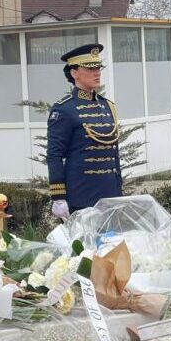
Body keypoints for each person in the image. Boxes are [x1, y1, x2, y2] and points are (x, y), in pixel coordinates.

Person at [47, 44, 122, 219]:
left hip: (110, 194)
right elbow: (54, 155)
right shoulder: (64, 109)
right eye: (90, 68)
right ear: (74, 73)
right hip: (81, 195)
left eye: (98, 68)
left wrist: (118, 188)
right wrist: (58, 197)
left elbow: (113, 153)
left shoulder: (107, 106)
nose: (97, 73)